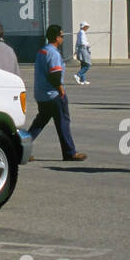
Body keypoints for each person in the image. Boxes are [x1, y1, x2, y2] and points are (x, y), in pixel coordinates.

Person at [25, 25, 85, 161]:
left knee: (39, 123)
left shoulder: (42, 51)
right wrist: (60, 89)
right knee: (63, 122)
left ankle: (20, 149)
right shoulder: (53, 53)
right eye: (62, 36)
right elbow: (55, 75)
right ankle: (69, 152)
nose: (62, 38)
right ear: (57, 38)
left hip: (41, 94)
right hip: (53, 95)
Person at [73, 20, 92, 85]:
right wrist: (87, 44)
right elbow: (82, 42)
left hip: (80, 49)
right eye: (86, 26)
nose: (87, 28)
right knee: (88, 65)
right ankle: (78, 75)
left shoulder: (80, 32)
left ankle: (82, 80)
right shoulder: (82, 32)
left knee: (83, 64)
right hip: (83, 49)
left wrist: (75, 50)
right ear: (83, 26)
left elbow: (77, 42)